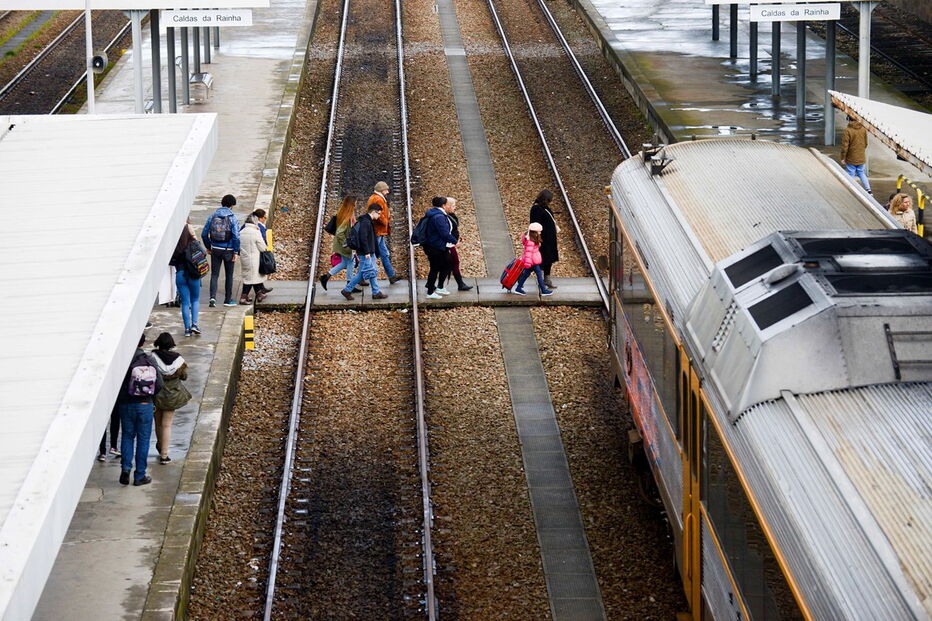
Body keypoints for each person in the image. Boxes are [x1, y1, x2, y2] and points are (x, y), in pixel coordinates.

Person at [117, 334, 161, 486]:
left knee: (127, 436)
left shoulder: (122, 360)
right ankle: (139, 475)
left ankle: (125, 468)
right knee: (143, 440)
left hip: (125, 404)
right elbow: (159, 384)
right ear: (143, 343)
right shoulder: (149, 360)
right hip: (145, 405)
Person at [151, 333, 190, 465]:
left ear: (158, 343)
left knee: (158, 423)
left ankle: (160, 445)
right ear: (171, 344)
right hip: (172, 396)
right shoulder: (178, 359)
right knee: (167, 425)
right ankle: (164, 455)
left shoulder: (153, 357)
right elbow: (184, 376)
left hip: (157, 395)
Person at [341, 203, 389, 301]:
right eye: (378, 214)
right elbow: (363, 238)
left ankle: (376, 292)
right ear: (374, 212)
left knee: (372, 272)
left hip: (367, 252)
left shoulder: (366, 221)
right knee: (363, 274)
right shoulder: (365, 222)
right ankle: (347, 289)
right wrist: (367, 252)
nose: (379, 216)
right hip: (365, 253)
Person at [202, 194, 241, 308]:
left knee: (214, 274)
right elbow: (236, 237)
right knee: (229, 275)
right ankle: (227, 300)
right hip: (228, 249)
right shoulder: (233, 217)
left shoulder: (212, 216)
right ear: (232, 205)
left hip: (215, 249)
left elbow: (204, 234)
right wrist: (235, 252)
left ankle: (212, 298)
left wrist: (209, 246)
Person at [319, 195, 360, 291]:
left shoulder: (342, 212)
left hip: (340, 244)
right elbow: (339, 232)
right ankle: (349, 285)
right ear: (352, 205)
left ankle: (326, 277)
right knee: (351, 261)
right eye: (355, 203)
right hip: (344, 244)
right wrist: (347, 243)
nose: (356, 204)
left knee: (346, 262)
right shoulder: (348, 217)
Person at [170, 221, 203, 337]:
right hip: (193, 274)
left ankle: (187, 329)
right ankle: (195, 324)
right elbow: (202, 253)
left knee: (185, 302)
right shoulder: (193, 243)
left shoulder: (174, 246)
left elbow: (171, 262)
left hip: (180, 274)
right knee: (195, 300)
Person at [421, 196, 458, 299]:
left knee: (448, 263)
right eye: (447, 204)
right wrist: (455, 242)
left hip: (438, 246)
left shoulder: (435, 213)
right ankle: (430, 292)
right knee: (435, 268)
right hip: (435, 247)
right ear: (443, 205)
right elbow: (444, 233)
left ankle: (439, 287)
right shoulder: (439, 217)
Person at [368, 181, 403, 285]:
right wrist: (385, 221)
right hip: (378, 230)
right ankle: (360, 277)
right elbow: (378, 214)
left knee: (384, 254)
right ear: (381, 190)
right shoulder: (378, 199)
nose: (387, 191)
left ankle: (392, 276)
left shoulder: (377, 197)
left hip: (379, 231)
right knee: (371, 254)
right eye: (386, 189)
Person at [512, 222, 554, 296]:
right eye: (539, 232)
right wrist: (528, 263)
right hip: (532, 262)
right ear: (534, 232)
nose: (540, 233)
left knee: (525, 275)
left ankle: (518, 288)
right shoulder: (531, 242)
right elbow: (528, 253)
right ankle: (544, 290)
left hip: (532, 261)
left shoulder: (532, 239)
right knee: (539, 275)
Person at [529, 189, 560, 289]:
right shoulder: (536, 209)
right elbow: (534, 224)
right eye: (548, 200)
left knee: (547, 259)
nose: (549, 202)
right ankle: (542, 281)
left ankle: (546, 280)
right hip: (543, 239)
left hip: (549, 239)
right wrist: (538, 238)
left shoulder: (544, 207)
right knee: (539, 260)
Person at [239, 215, 270, 304]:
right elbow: (262, 247)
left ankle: (259, 294)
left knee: (251, 277)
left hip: (244, 258)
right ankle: (243, 298)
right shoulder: (256, 232)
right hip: (254, 259)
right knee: (250, 279)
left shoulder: (242, 232)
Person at [444, 197, 473, 291]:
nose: (455, 207)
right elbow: (446, 232)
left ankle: (459, 284)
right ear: (446, 206)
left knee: (448, 264)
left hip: (450, 243)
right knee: (453, 263)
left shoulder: (450, 215)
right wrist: (454, 241)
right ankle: (460, 284)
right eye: (453, 205)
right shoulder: (444, 217)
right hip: (448, 244)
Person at [840, 116, 871, 194]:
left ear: (849, 119)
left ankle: (852, 190)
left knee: (851, 173)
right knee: (861, 173)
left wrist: (843, 157)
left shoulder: (848, 130)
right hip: (861, 157)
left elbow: (845, 146)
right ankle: (868, 189)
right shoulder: (863, 129)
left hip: (851, 157)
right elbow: (866, 143)